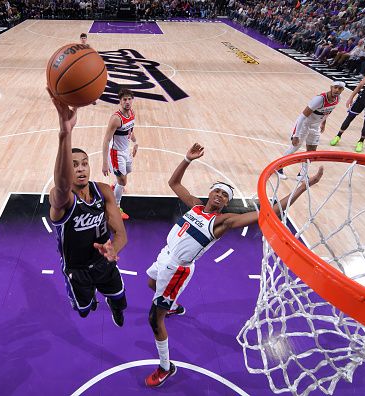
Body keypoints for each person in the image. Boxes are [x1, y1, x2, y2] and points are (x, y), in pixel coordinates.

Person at [144, 143, 324, 388]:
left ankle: (166, 367)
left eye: (225, 195)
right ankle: (172, 305)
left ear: (226, 203)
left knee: (155, 320)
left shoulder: (223, 221)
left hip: (177, 269)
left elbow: (270, 212)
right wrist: (187, 159)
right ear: (210, 194)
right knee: (151, 282)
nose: (219, 195)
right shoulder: (196, 205)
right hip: (163, 257)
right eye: (217, 191)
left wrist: (303, 186)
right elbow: (174, 184)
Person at [47, 87, 128, 327]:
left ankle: (115, 308)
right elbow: (61, 185)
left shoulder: (103, 191)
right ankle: (90, 299)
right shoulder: (62, 199)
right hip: (77, 268)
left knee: (119, 299)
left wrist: (115, 249)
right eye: (74, 165)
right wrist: (65, 134)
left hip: (104, 262)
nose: (80, 168)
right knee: (84, 310)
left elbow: (120, 233)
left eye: (84, 163)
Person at [278, 81, 345, 180]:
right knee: (294, 148)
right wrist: (296, 135)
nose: (337, 90)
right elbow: (302, 117)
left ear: (342, 90)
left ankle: (302, 174)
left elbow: (328, 111)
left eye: (340, 88)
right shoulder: (319, 99)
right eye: (335, 87)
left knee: (311, 151)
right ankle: (279, 168)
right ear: (331, 87)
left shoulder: (338, 99)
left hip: (315, 126)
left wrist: (323, 122)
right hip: (304, 125)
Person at [101, 88, 138, 220]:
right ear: (120, 101)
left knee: (125, 174)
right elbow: (106, 140)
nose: (127, 102)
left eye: (129, 99)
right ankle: (116, 207)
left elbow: (130, 131)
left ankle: (115, 186)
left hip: (126, 150)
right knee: (123, 181)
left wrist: (135, 142)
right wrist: (105, 163)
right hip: (116, 153)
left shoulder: (132, 114)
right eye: (124, 99)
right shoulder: (116, 119)